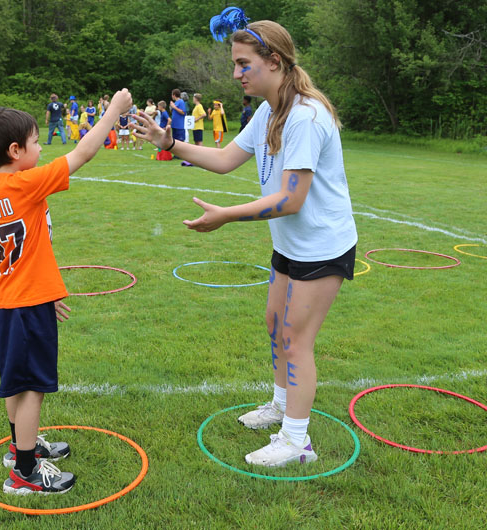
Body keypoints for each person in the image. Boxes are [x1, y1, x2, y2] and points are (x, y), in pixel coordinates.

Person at [131, 16, 357, 468]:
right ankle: (280, 404)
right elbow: (223, 158)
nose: (236, 74)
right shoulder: (269, 112)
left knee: (296, 340)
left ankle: (296, 441)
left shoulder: (306, 117)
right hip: (292, 246)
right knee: (276, 325)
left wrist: (226, 217)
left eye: (243, 63)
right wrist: (168, 141)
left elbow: (292, 199)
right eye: (235, 64)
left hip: (321, 247)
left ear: (274, 62)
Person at [0, 88, 133, 494]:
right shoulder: (25, 184)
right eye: (34, 143)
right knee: (32, 388)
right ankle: (26, 472)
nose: (39, 149)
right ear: (15, 150)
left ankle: (19, 449)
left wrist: (48, 289)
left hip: (9, 301)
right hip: (26, 305)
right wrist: (114, 111)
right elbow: (81, 154)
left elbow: (24, 251)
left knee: (15, 382)